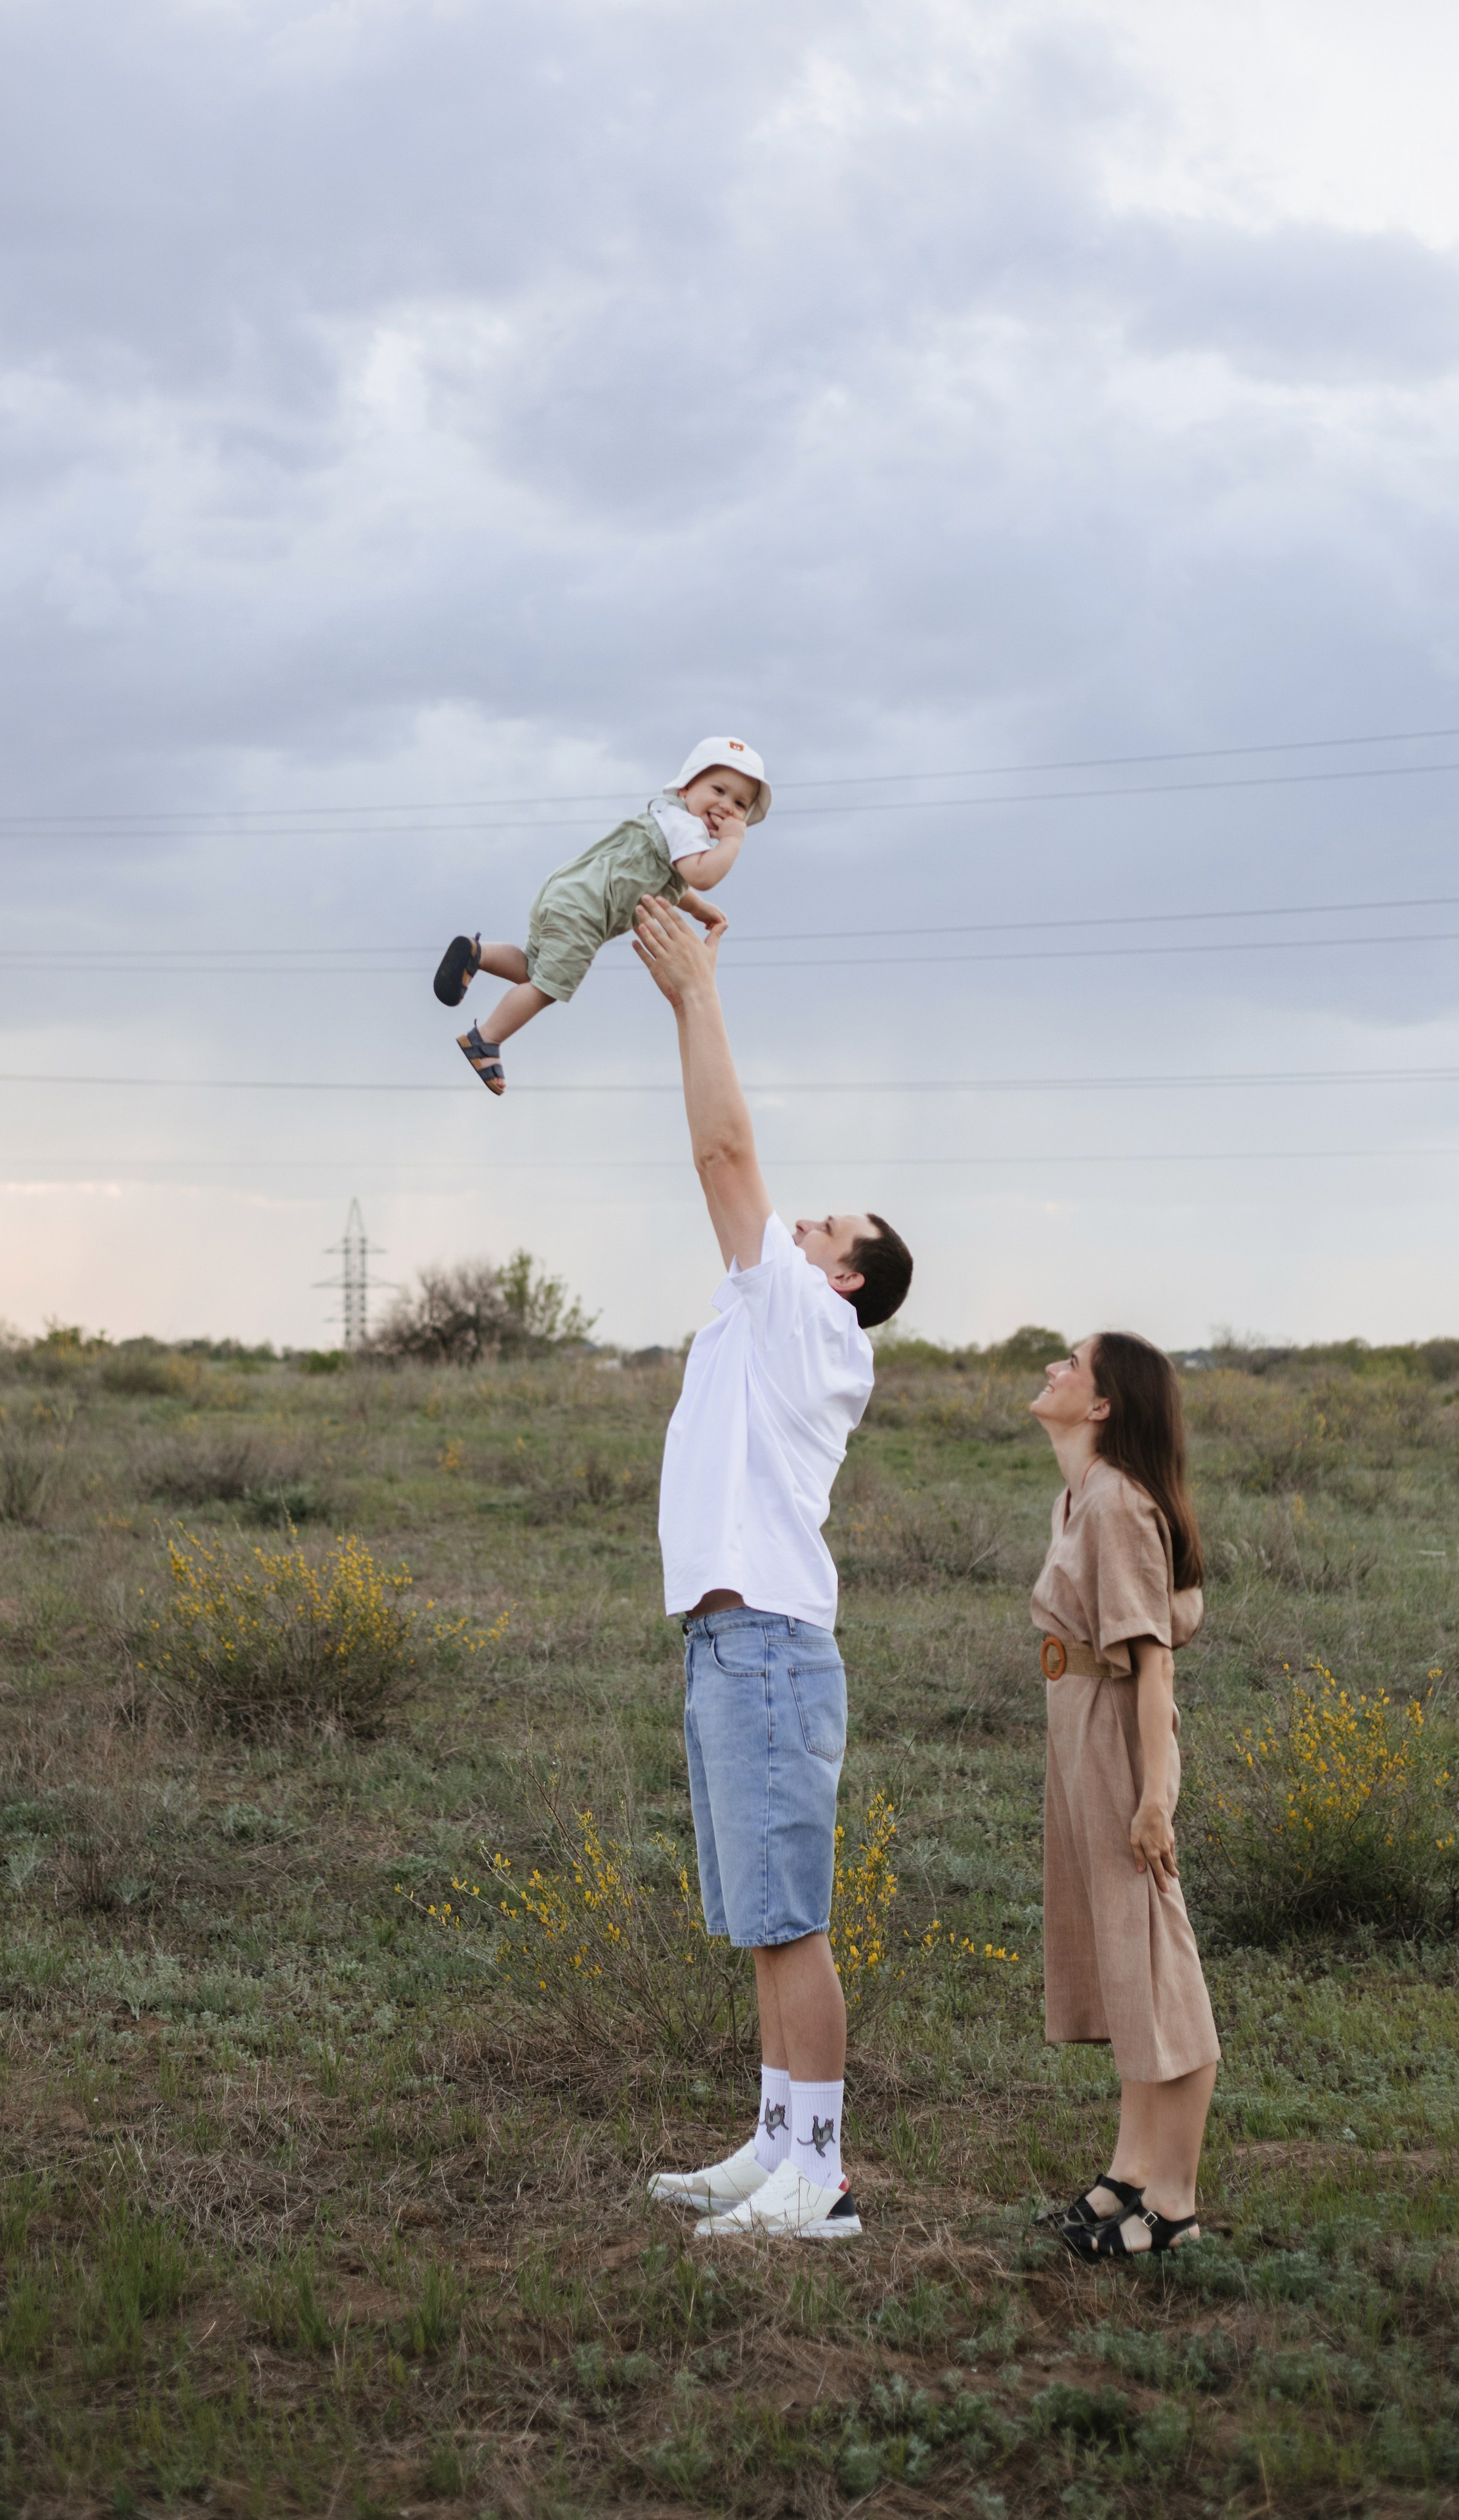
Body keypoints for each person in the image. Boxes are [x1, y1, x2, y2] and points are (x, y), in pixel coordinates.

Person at [633, 891, 914, 2241]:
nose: (794, 1226)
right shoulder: (767, 1310)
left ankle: (824, 2178)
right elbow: (729, 1168)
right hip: (727, 1644)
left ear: (846, 1280)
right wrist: (692, 993)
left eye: (822, 1230)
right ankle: (774, 2142)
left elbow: (724, 1149)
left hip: (766, 1649)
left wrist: (699, 998)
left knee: (790, 1919)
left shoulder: (812, 1326)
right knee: (762, 1915)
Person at [1028, 1333, 1220, 2260]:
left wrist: (1156, 1800)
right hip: (1078, 1734)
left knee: (1156, 1963)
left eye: (1072, 1363)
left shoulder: (1116, 1505)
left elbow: (1154, 1671)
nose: (1054, 1369)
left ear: (1103, 1405)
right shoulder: (1080, 1494)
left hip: (1115, 1740)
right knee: (1122, 1957)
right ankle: (1130, 2171)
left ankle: (1173, 2205)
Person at [431, 737, 770, 1095]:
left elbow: (676, 881)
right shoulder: (686, 826)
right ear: (686, 787)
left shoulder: (669, 819)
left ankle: (477, 954)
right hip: (586, 910)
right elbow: (701, 875)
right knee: (549, 987)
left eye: (740, 804)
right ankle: (485, 1040)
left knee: (534, 968)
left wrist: (699, 909)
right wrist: (732, 842)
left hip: (566, 891)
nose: (726, 807)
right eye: (718, 789)